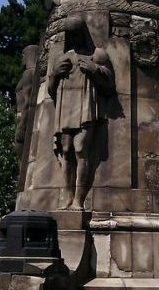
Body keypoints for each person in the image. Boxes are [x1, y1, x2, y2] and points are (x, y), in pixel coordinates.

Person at [48, 17, 114, 211]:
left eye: (77, 33)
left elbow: (109, 86)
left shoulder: (96, 54)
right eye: (71, 34)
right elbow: (51, 91)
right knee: (66, 151)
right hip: (65, 106)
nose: (74, 38)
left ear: (83, 33)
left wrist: (95, 70)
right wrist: (54, 75)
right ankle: (67, 197)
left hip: (86, 106)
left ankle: (79, 199)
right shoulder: (62, 57)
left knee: (80, 149)